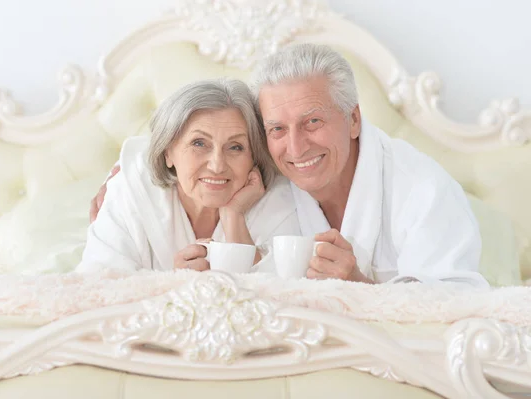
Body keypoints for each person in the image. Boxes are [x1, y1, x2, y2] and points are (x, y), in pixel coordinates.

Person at [90, 43, 488, 287]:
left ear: (353, 119)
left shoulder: (421, 189)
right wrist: (126, 182)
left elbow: (456, 307)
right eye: (277, 128)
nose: (295, 148)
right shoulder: (264, 179)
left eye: (313, 121)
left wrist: (362, 287)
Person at [78, 78, 299, 273]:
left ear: (253, 157)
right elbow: (98, 289)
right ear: (167, 152)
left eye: (235, 147)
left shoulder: (280, 200)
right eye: (199, 143)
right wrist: (174, 287)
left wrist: (234, 218)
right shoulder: (131, 189)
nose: (217, 165)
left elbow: (282, 297)